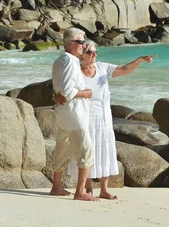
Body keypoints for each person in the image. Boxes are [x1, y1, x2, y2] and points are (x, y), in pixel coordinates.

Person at [55, 40, 156, 199]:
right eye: (90, 52)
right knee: (87, 152)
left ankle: (104, 189)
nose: (94, 55)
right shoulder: (74, 70)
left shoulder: (102, 67)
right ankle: (87, 188)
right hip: (84, 116)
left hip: (103, 116)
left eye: (96, 52)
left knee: (106, 151)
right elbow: (64, 88)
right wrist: (56, 96)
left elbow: (124, 70)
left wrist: (140, 60)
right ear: (82, 55)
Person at [50, 27, 98, 202]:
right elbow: (67, 90)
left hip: (63, 113)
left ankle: (56, 187)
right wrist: (85, 93)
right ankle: (80, 192)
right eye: (80, 42)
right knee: (86, 150)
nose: (83, 46)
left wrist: (56, 96)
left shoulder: (59, 60)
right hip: (75, 113)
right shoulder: (70, 61)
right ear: (70, 43)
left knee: (62, 148)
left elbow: (57, 88)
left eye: (84, 42)